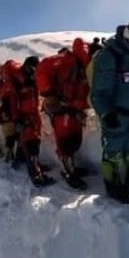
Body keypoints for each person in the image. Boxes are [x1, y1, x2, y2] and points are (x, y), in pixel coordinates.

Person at [90, 15, 129, 204]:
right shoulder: (110, 57)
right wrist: (106, 113)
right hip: (116, 113)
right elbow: (99, 92)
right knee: (114, 149)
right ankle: (112, 183)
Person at [38, 39, 94, 189]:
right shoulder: (64, 61)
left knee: (74, 140)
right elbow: (42, 68)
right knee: (65, 141)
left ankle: (72, 167)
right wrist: (49, 94)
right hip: (61, 108)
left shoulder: (84, 67)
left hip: (74, 109)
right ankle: (67, 171)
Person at [0, 56, 54, 187]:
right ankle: (36, 176)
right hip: (23, 117)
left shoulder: (30, 79)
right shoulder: (16, 81)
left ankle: (25, 160)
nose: (34, 72)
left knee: (34, 140)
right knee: (31, 143)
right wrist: (17, 120)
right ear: (27, 66)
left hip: (33, 114)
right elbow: (10, 102)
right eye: (33, 69)